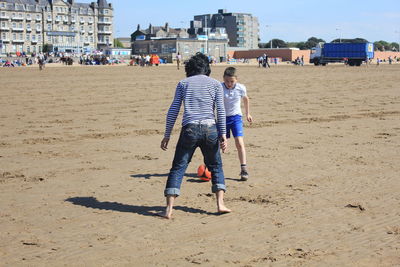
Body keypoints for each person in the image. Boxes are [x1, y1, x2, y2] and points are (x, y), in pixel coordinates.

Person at [160, 53, 231, 219]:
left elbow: (173, 110)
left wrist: (167, 134)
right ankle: (220, 204)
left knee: (178, 167)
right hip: (210, 129)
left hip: (189, 129)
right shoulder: (215, 84)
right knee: (216, 166)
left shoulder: (183, 83)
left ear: (189, 69)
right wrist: (223, 134)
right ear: (207, 68)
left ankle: (168, 209)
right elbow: (221, 111)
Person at [222, 67, 253, 181]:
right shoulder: (220, 87)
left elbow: (246, 99)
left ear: (236, 80)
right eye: (227, 81)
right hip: (222, 118)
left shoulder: (241, 88)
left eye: (232, 81)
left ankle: (243, 169)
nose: (229, 84)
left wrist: (248, 114)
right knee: (219, 144)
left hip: (236, 117)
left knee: (239, 142)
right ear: (223, 79)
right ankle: (212, 167)